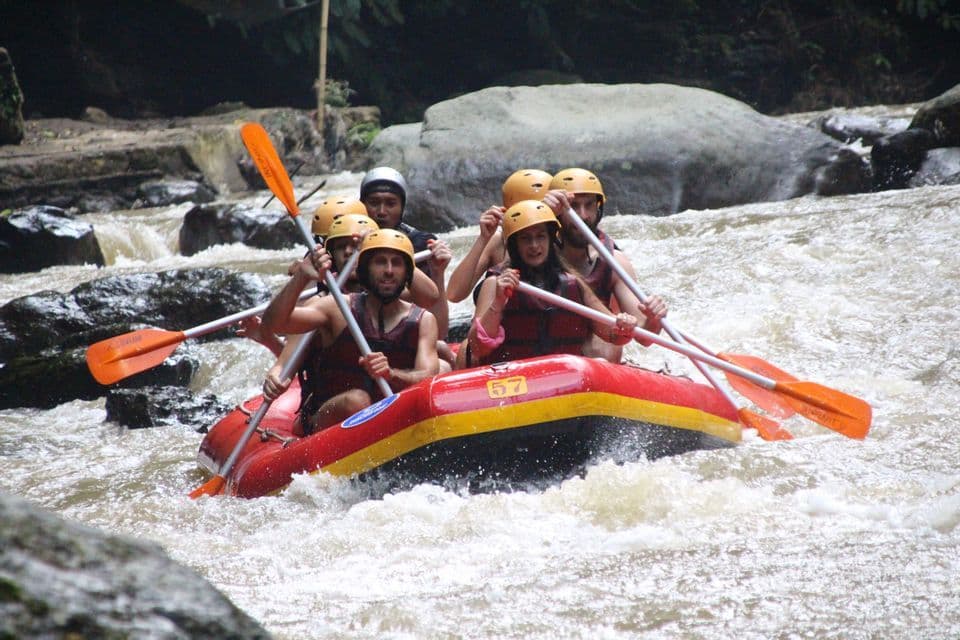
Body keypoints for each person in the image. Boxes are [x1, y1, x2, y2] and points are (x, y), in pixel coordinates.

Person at [260, 228, 439, 434]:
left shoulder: (423, 320)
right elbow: (275, 323)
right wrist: (300, 279)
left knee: (441, 368)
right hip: (328, 417)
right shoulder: (337, 308)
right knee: (357, 401)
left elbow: (428, 378)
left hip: (392, 421)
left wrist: (391, 374)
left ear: (407, 273)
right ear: (364, 270)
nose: (389, 270)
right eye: (380, 262)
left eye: (397, 263)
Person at [464, 200, 639, 367]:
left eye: (540, 236)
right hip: (513, 381)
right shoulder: (495, 284)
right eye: (526, 239)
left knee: (601, 362)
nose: (534, 245)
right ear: (514, 244)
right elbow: (478, 348)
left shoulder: (572, 283)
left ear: (550, 239)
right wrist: (498, 302)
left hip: (563, 380)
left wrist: (624, 327)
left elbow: (612, 335)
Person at [542, 168, 668, 363]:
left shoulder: (615, 262)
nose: (583, 216)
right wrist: (540, 215)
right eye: (573, 206)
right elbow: (507, 258)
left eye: (589, 205)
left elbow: (644, 337)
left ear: (598, 208)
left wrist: (654, 319)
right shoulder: (536, 254)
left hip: (600, 370)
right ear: (557, 213)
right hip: (550, 370)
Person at [360, 167, 452, 340]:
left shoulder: (421, 245)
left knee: (440, 350)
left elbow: (439, 333)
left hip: (406, 337)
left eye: (390, 203)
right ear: (362, 205)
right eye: (373, 202)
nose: (381, 211)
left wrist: (438, 274)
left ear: (402, 207)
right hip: (358, 335)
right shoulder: (344, 243)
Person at [446, 169, 553, 303]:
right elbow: (454, 294)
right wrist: (483, 238)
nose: (534, 245)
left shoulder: (567, 240)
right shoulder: (497, 242)